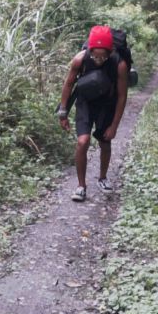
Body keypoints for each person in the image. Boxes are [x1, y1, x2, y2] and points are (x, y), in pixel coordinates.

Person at [57, 25, 129, 202]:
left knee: (105, 141)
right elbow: (68, 85)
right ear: (89, 50)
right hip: (85, 103)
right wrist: (63, 112)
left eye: (102, 56)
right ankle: (81, 186)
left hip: (107, 104)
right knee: (83, 142)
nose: (98, 59)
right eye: (94, 55)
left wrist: (114, 126)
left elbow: (122, 97)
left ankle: (102, 178)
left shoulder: (119, 64)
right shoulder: (80, 59)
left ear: (110, 51)